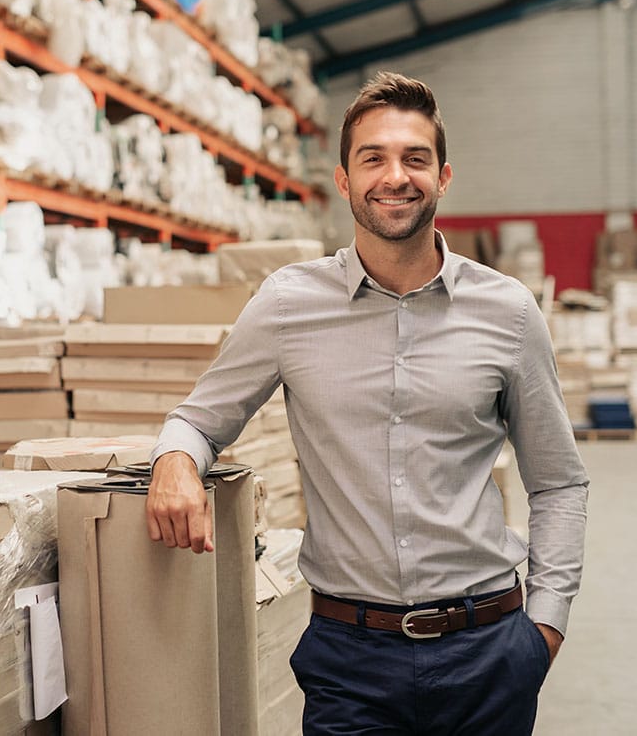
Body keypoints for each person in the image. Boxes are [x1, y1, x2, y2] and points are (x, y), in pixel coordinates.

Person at [147, 71, 589, 735]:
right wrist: (175, 460)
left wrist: (545, 627)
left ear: (442, 176)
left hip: (487, 649)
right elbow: (199, 419)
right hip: (350, 656)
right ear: (344, 179)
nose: (396, 175)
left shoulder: (507, 311)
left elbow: (557, 479)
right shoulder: (288, 304)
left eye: (415, 158)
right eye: (373, 157)